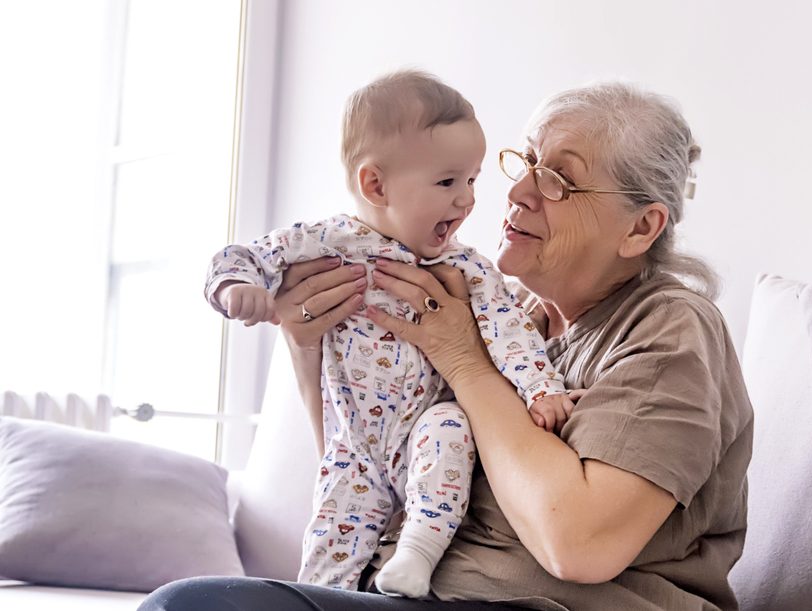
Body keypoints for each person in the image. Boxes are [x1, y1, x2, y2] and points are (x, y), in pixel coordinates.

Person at [141, 82, 753, 611]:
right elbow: (374, 462)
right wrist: (305, 347)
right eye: (527, 162)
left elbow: (579, 545)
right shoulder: (508, 314)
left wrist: (463, 359)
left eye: (561, 179)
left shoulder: (668, 327)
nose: (518, 194)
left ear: (641, 227)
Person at [202, 70, 573, 598]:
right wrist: (235, 286)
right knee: (329, 547)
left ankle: (417, 552)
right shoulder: (327, 243)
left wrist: (541, 388)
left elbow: (510, 330)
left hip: (425, 429)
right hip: (354, 446)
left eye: (471, 181)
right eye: (448, 183)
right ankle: (322, 597)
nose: (467, 201)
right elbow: (242, 256)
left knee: (450, 427)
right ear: (375, 185)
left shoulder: (465, 266)